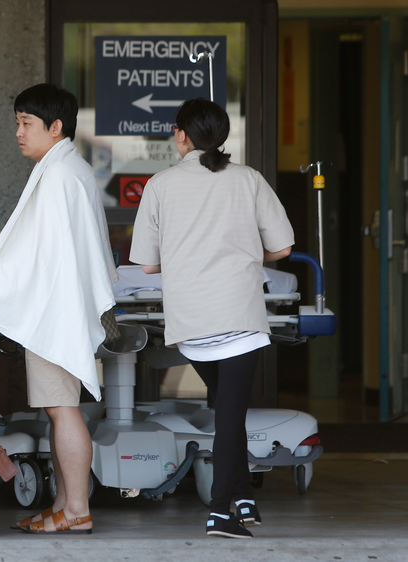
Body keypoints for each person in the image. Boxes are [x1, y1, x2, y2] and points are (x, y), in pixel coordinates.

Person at [129, 98, 293, 539]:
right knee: (229, 414)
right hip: (239, 320)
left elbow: (146, 266)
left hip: (192, 327)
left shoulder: (160, 185)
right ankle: (221, 511)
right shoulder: (249, 180)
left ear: (181, 135)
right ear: (221, 137)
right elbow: (281, 249)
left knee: (227, 408)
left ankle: (241, 497)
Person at [0, 83, 117, 535]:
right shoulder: (69, 167)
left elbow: (39, 252)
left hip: (57, 311)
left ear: (55, 127)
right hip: (63, 306)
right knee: (59, 407)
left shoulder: (59, 175)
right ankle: (66, 506)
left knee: (62, 408)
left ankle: (77, 510)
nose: (18, 132)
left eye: (26, 123)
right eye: (17, 123)